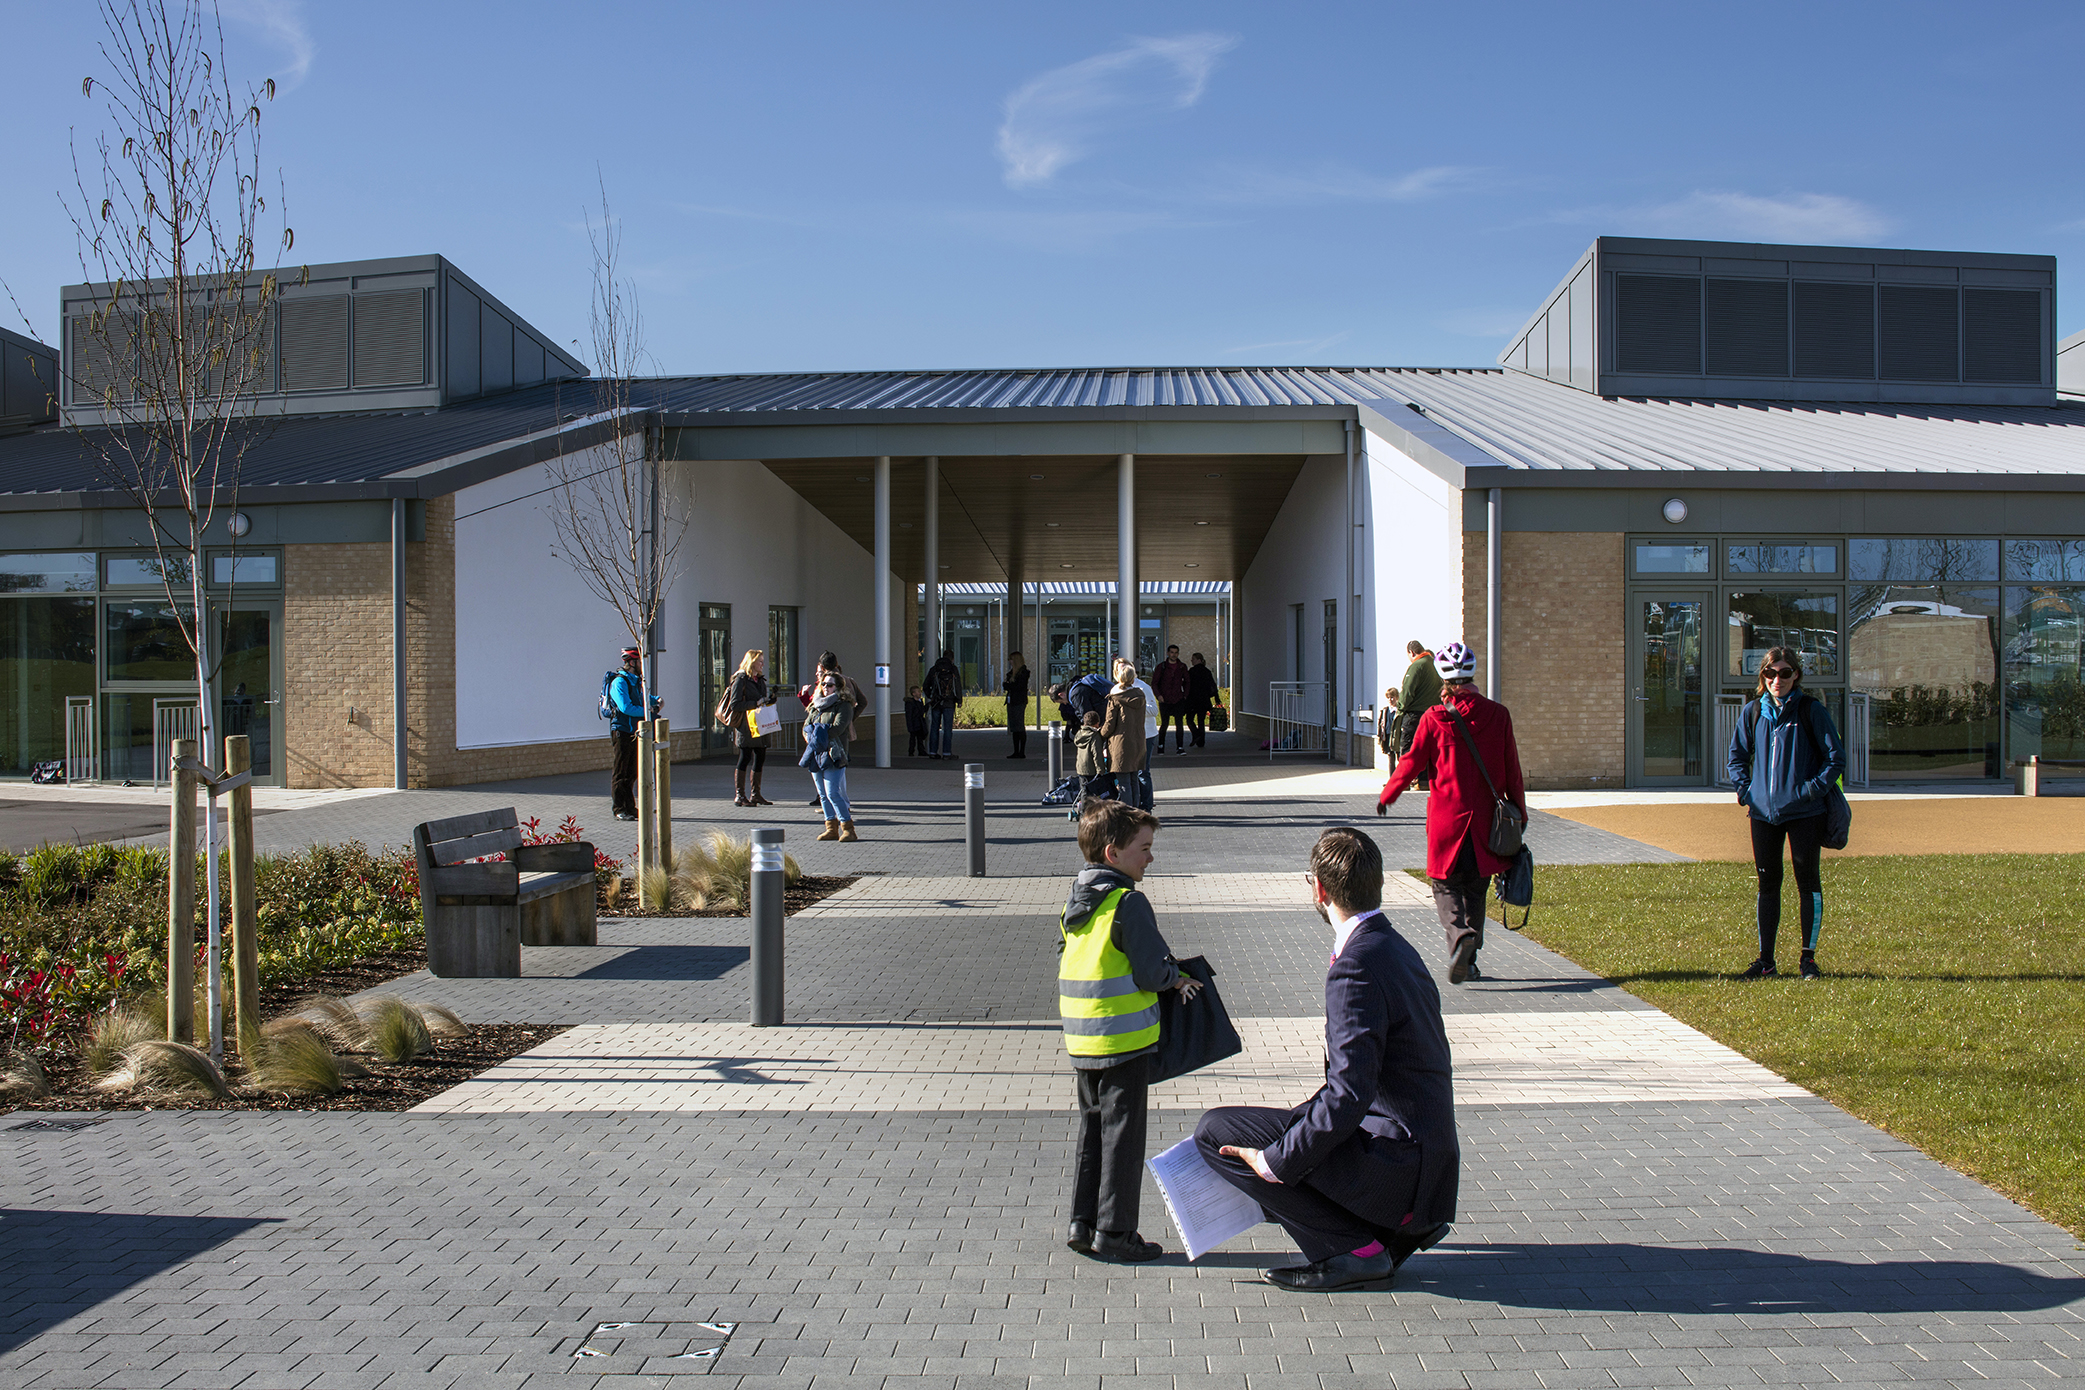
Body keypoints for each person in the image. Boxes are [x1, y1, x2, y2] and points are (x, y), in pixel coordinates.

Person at [1194, 827, 1458, 1291]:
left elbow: (1349, 1094)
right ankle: (1390, 1230)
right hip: (1428, 1163)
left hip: (1401, 1168)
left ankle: (1351, 1250)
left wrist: (1279, 1161)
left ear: (1319, 888)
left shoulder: (1356, 966)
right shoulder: (1395, 946)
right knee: (1294, 1127)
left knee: (1216, 1132)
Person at [1059, 799, 1200, 1263]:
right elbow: (1149, 971)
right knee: (1124, 1134)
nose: (1151, 857)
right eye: (1144, 848)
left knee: (1093, 1130)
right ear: (1112, 853)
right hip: (1124, 1039)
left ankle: (1083, 1223)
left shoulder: (1078, 901)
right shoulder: (1127, 902)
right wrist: (1175, 977)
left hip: (1084, 1037)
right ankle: (1116, 1234)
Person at [1376, 641, 1526, 985]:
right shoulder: (1498, 715)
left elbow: (1412, 762)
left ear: (1444, 681)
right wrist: (1520, 816)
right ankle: (1469, 960)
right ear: (1472, 675)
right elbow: (1512, 770)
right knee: (1476, 887)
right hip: (1488, 823)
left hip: (1448, 822)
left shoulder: (1435, 717)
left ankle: (1459, 936)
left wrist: (1390, 793)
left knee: (1445, 885)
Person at [1727, 646, 1845, 980]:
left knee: (1807, 883)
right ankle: (1766, 961)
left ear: (1796, 675)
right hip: (1763, 813)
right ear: (1762, 677)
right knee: (1768, 884)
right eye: (1770, 673)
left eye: (1784, 673)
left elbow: (1834, 758)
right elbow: (1737, 757)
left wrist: (1810, 791)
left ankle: (1808, 959)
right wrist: (1746, 791)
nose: (1777, 679)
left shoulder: (1811, 710)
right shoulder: (1753, 712)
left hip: (1806, 813)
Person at [799, 671, 859, 841]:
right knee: (822, 794)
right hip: (815, 752)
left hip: (834, 753)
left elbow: (837, 728)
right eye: (824, 684)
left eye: (830, 685)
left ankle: (848, 828)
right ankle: (831, 828)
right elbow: (806, 726)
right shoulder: (815, 704)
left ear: (839, 687)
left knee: (832, 792)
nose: (825, 687)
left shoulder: (844, 705)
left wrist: (816, 732)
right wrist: (812, 734)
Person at [723, 649, 774, 807]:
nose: (762, 664)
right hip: (746, 726)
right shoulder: (741, 679)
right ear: (752, 662)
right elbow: (735, 704)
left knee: (760, 757)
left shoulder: (759, 680)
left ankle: (755, 794)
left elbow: (760, 700)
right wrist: (755, 703)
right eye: (760, 661)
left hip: (760, 724)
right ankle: (740, 795)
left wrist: (769, 700)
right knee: (745, 757)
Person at [605, 646, 645, 822]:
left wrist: (655, 700)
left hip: (633, 731)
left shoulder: (635, 681)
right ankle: (619, 808)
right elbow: (625, 707)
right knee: (621, 772)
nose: (642, 665)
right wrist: (647, 711)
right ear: (631, 662)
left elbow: (643, 699)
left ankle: (630, 807)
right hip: (621, 730)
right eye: (639, 662)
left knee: (632, 772)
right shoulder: (620, 682)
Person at [1099, 665, 1147, 811]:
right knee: (1134, 780)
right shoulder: (1140, 695)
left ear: (1118, 677)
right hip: (1138, 741)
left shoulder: (1115, 698)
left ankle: (1127, 813)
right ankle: (1136, 811)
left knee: (1124, 781)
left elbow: (1110, 723)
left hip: (1121, 743)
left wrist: (1101, 734)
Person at [1116, 658, 1161, 810]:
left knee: (1142, 772)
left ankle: (1147, 806)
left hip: (1146, 735)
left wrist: (1136, 707)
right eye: (1119, 669)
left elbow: (1154, 710)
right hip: (1128, 736)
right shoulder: (1117, 689)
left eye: (1125, 668)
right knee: (1132, 773)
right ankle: (1136, 804)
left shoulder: (1143, 687)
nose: (1122, 671)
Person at [1395, 641, 1441, 785]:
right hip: (1433, 714)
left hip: (1415, 715)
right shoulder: (1435, 665)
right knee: (1428, 747)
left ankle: (1408, 779)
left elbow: (1407, 692)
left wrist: (1400, 707)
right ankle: (1424, 780)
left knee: (1409, 746)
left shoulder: (1417, 666)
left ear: (1411, 652)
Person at [1152, 645, 1190, 755]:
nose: (1174, 655)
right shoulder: (1162, 667)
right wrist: (1158, 695)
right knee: (1164, 724)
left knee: (1179, 724)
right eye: (1172, 652)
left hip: (1178, 699)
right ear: (1168, 653)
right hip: (1165, 700)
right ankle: (1161, 746)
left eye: (1176, 653)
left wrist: (1185, 695)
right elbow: (1155, 683)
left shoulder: (1182, 667)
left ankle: (1180, 747)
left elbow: (1187, 682)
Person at [924, 651, 961, 759]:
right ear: (952, 658)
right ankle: (947, 753)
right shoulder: (953, 669)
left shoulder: (934, 669)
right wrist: (959, 700)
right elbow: (957, 685)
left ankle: (933, 752)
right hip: (949, 702)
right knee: (947, 728)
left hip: (936, 702)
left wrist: (931, 696)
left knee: (934, 727)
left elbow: (925, 685)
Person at [1072, 710, 1109, 802]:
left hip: (1081, 768)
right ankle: (1089, 811)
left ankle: (1083, 810)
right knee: (1094, 793)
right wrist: (1100, 769)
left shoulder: (1079, 734)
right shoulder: (1094, 736)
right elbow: (1096, 754)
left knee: (1084, 791)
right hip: (1091, 768)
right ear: (1097, 723)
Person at [1185, 652, 1219, 748]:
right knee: (1201, 721)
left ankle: (1196, 734)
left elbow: (1187, 685)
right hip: (1204, 701)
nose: (1192, 661)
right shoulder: (1207, 672)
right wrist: (1216, 698)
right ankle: (1201, 741)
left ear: (1199, 660)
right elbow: (1212, 685)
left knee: (1189, 719)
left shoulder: (1192, 671)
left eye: (1193, 659)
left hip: (1193, 701)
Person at [1003, 651, 1031, 759]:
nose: (1009, 662)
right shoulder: (1011, 673)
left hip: (1019, 701)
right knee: (1014, 726)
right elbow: (1007, 685)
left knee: (1019, 725)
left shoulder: (1023, 673)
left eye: (1011, 659)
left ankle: (1022, 751)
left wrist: (1009, 685)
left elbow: (1018, 687)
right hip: (1011, 701)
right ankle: (1016, 751)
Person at [904, 685, 929, 758]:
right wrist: (910, 725)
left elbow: (922, 711)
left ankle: (921, 751)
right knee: (913, 738)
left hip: (919, 722)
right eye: (918, 692)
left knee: (920, 738)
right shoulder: (910, 703)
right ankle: (911, 751)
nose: (919, 693)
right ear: (913, 694)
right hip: (914, 723)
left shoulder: (920, 702)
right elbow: (909, 715)